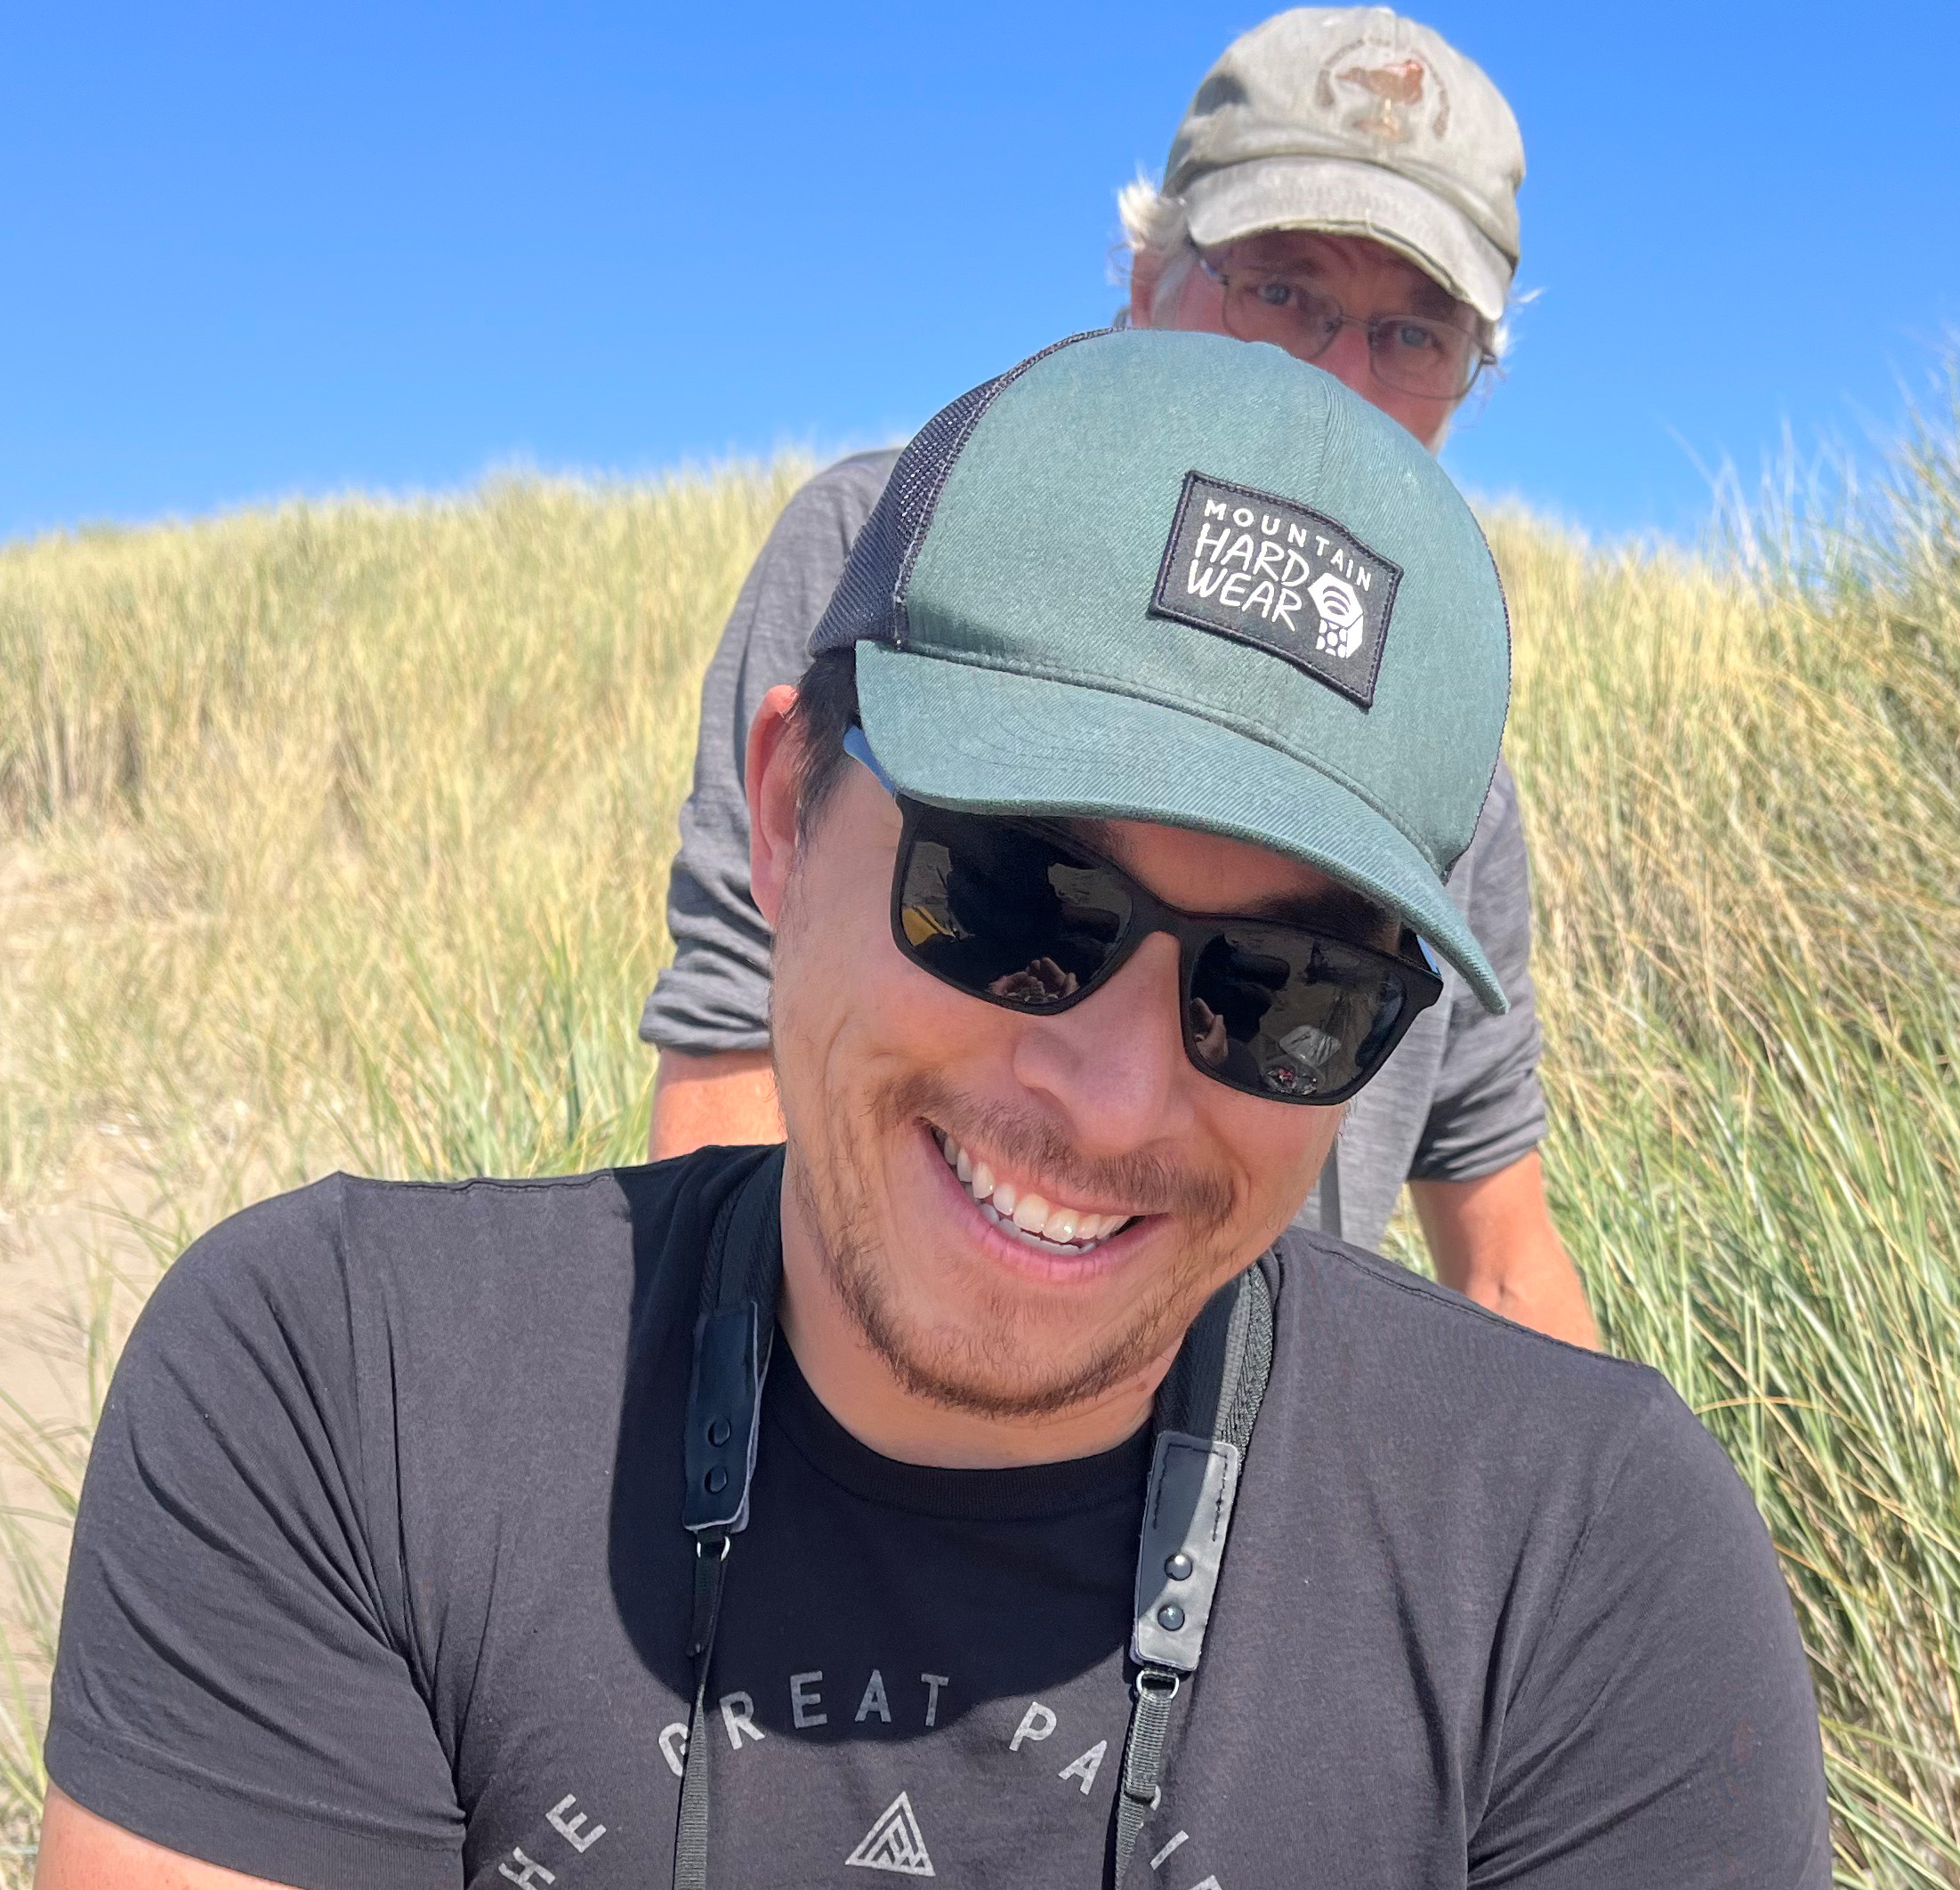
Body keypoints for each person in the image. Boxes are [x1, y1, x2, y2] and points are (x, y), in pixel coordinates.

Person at [28, 332, 1842, 1890]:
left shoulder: (1580, 1536)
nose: (1105, 1084)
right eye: (1015, 896)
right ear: (788, 814)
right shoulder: (343, 1367)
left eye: (1280, 993)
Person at [643, 6, 1599, 1351]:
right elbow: (730, 1068)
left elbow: (1504, 1261)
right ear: (1146, 272)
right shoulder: (893, 558)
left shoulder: (1453, 789)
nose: (1335, 376)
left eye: (1411, 335)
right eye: (1281, 288)